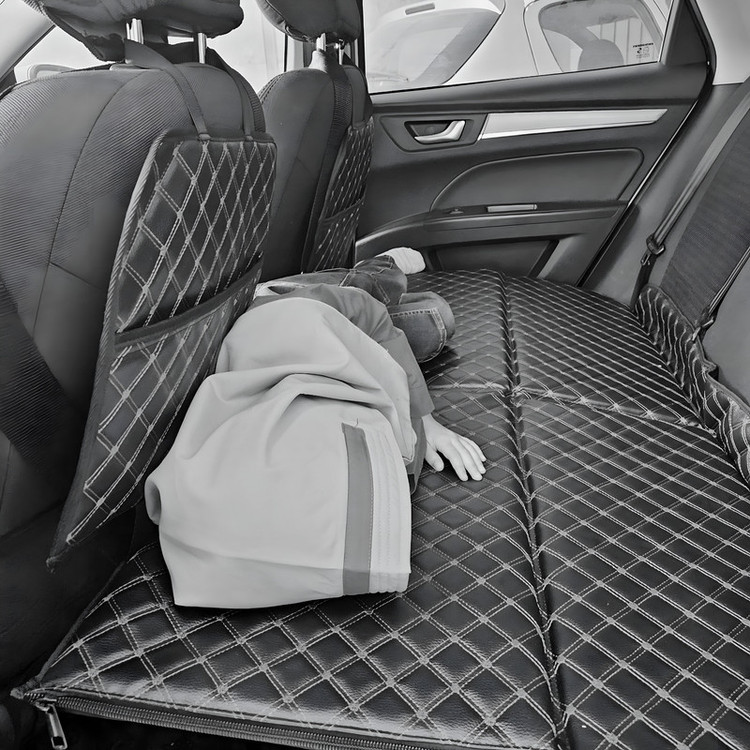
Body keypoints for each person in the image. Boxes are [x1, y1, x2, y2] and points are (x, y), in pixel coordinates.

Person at [145, 248, 486, 609]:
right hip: (283, 332)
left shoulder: (307, 311)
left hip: (296, 297)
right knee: (432, 323)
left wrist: (427, 421)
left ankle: (382, 263)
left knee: (402, 301)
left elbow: (372, 315)